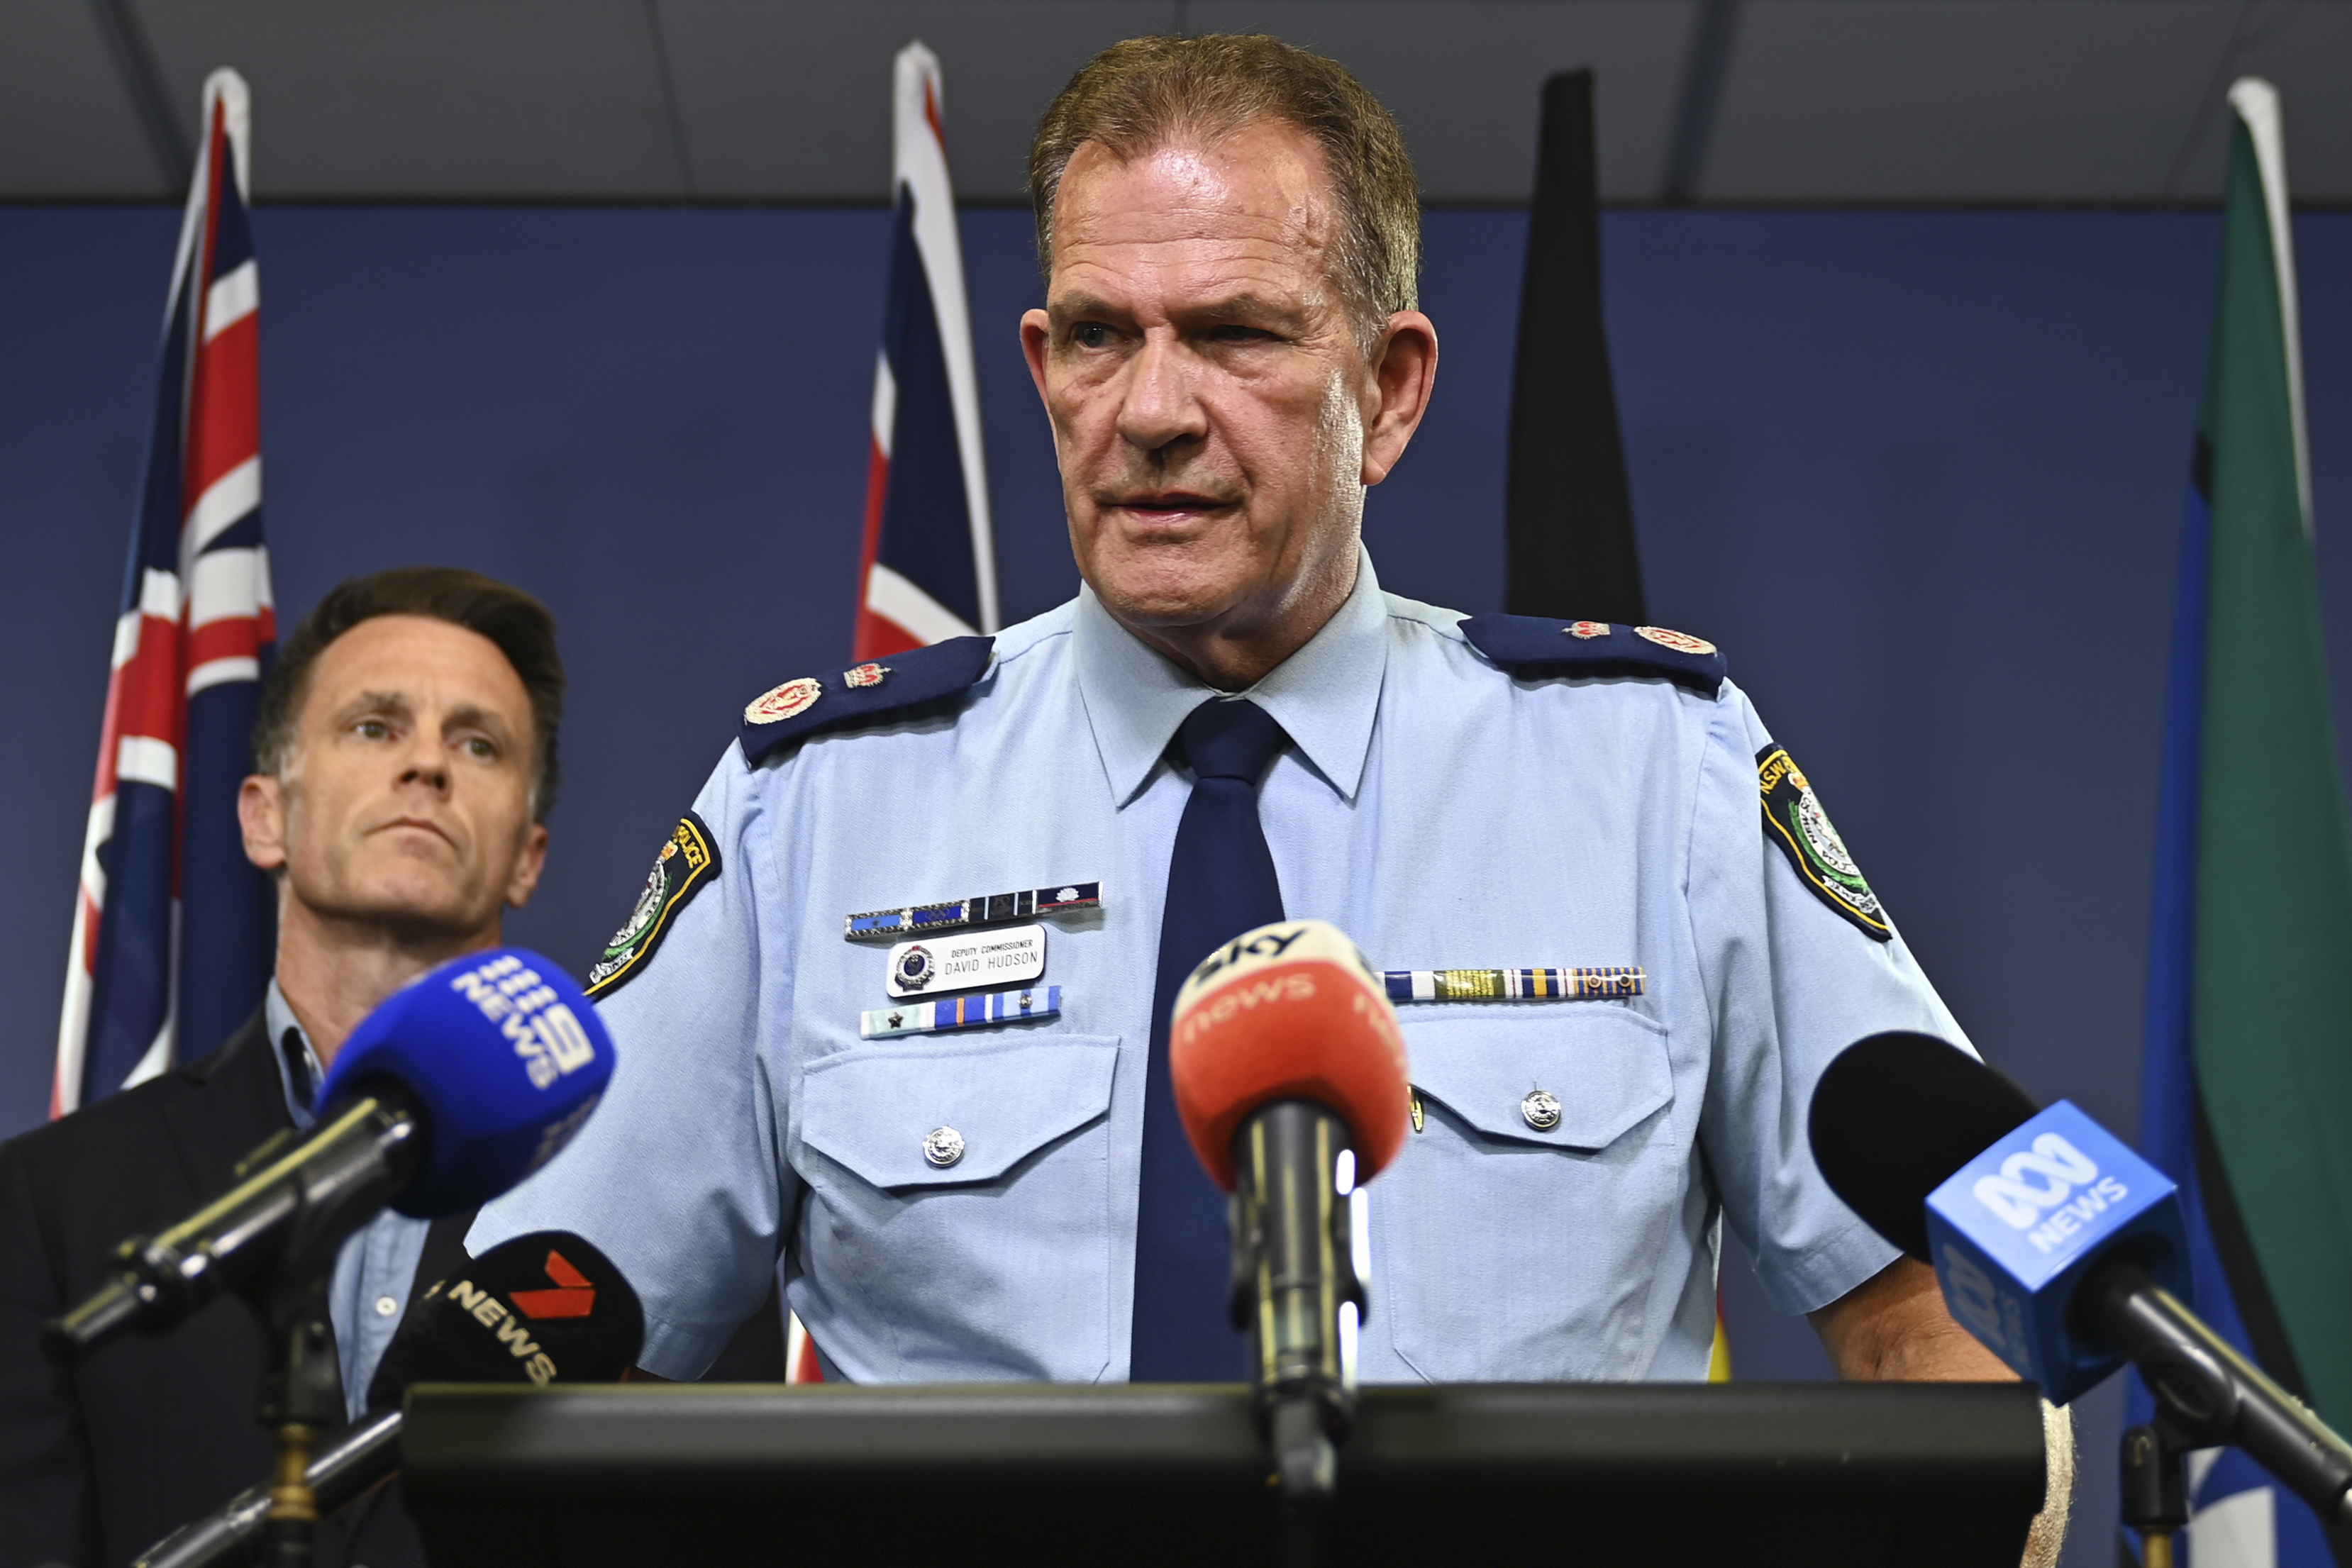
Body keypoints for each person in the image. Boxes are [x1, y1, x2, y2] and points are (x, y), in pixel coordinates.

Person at [472, 32, 2068, 1557]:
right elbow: (541, 1340)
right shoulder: (812, 806)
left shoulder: (1657, 768)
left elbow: (1931, 1306)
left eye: (1233, 332)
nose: (1150, 410)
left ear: (1388, 385)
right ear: (1039, 367)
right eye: (1097, 334)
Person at [0, 567, 565, 1568]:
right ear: (265, 817)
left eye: (478, 744)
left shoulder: (650, 1200)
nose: (428, 767)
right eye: (375, 728)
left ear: (528, 854)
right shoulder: (50, 1202)